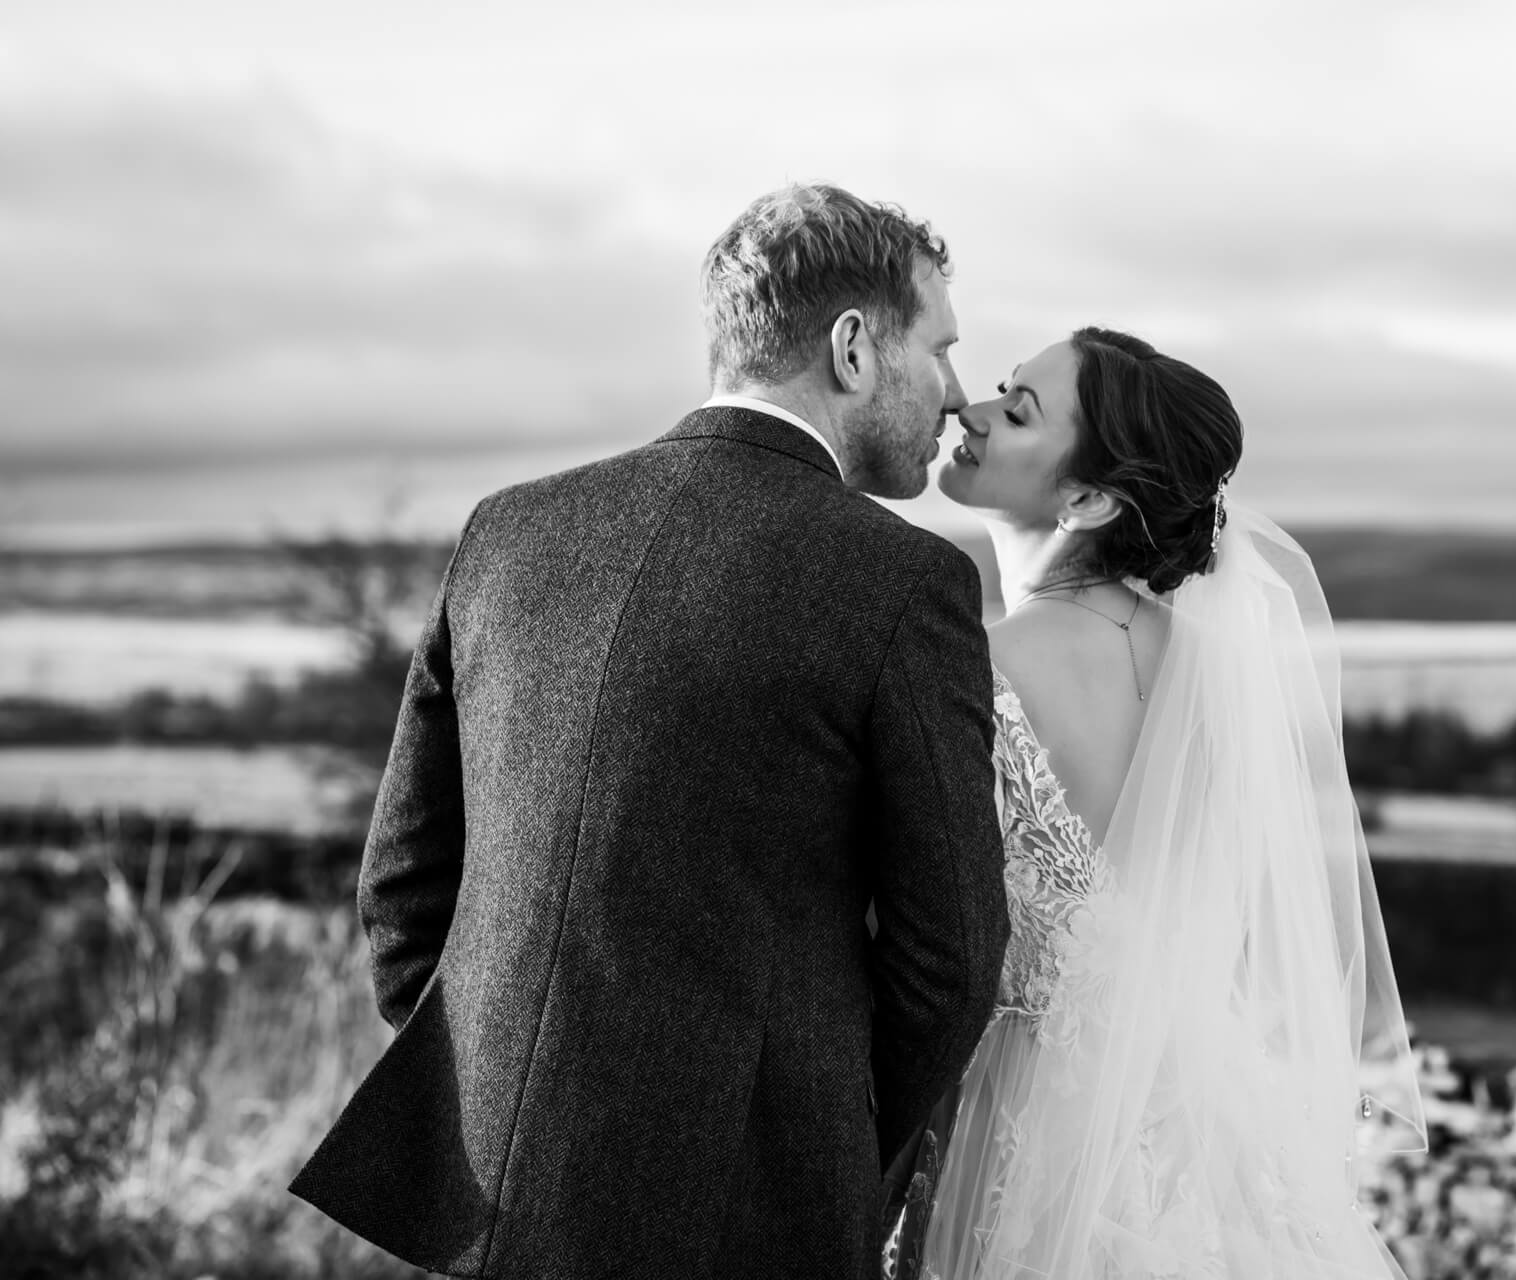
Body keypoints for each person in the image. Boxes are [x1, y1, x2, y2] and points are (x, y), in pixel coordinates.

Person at [290, 183, 1010, 1280]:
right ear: (854, 347)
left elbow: (402, 888)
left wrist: (505, 1097)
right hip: (757, 1226)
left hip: (499, 1207)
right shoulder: (906, 581)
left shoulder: (509, 530)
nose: (956, 392)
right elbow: (950, 960)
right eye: (942, 349)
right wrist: (819, 1153)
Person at [892, 328, 1427, 1279]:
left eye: (1018, 411)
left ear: (1088, 499)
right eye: (1003, 388)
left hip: (1017, 1121)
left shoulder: (975, 668)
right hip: (1201, 1118)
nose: (970, 410)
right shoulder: (1221, 675)